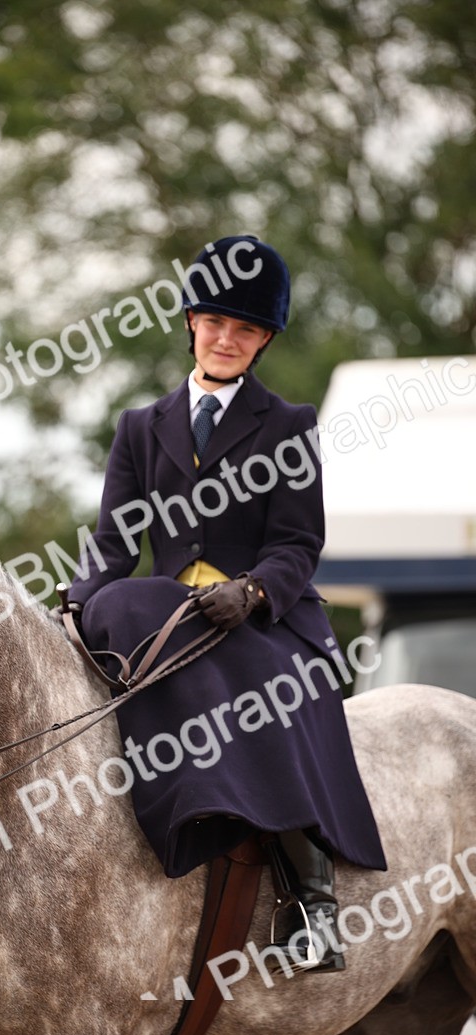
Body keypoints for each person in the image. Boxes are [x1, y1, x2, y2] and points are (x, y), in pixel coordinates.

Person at [65, 234, 387, 974]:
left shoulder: (288, 425)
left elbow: (301, 544)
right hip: (174, 615)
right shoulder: (139, 429)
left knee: (267, 696)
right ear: (191, 324)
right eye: (215, 323)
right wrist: (73, 602)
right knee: (121, 605)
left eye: (244, 329)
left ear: (264, 339)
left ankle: (312, 906)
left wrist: (253, 590)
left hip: (263, 617)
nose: (227, 339)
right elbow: (115, 543)